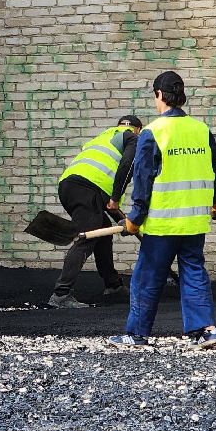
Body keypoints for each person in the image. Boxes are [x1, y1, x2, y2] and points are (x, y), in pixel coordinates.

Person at [110, 70, 216, 348]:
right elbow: (212, 173)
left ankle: (136, 334)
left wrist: (134, 219)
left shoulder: (153, 132)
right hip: (194, 222)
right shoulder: (201, 130)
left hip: (163, 224)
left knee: (146, 277)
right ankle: (205, 331)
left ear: (159, 95)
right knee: (194, 271)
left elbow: (143, 181)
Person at [48, 114, 142, 308]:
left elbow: (104, 192)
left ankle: (113, 285)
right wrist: (116, 198)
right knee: (88, 237)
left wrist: (121, 217)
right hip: (86, 188)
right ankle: (61, 295)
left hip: (69, 186)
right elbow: (128, 166)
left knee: (103, 231)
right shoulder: (132, 137)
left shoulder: (102, 138)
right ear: (138, 129)